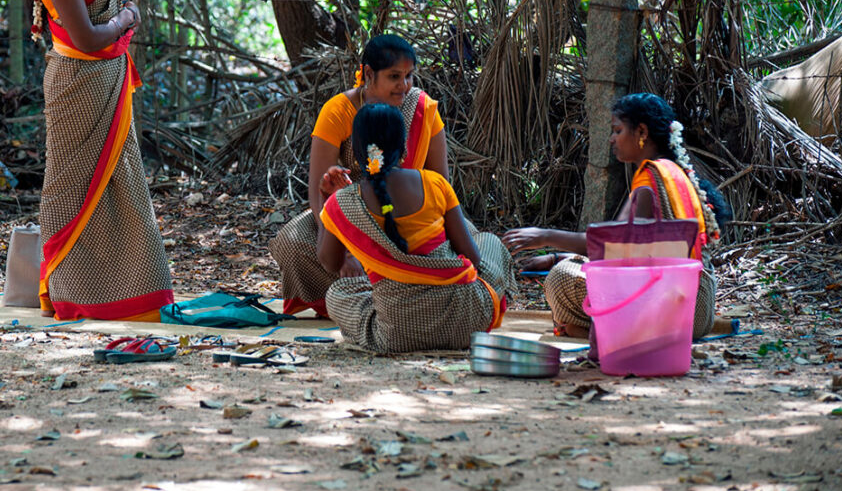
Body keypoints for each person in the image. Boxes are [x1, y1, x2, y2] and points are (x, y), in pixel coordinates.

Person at [31, 0, 173, 321]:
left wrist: (119, 24)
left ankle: (131, 290)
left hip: (106, 87)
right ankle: (73, 290)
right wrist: (126, 20)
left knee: (121, 183)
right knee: (71, 191)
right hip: (77, 87)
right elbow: (89, 38)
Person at [503, 92, 730, 340]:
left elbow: (614, 245)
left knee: (561, 277)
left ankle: (602, 332)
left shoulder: (647, 184)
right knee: (570, 265)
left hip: (669, 315)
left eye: (618, 130)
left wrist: (545, 236)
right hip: (698, 311)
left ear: (641, 133)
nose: (612, 139)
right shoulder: (675, 175)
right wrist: (559, 255)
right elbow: (643, 252)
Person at [269, 34, 449, 317]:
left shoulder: (423, 110)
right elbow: (319, 193)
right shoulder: (339, 111)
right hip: (348, 220)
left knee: (472, 245)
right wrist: (347, 251)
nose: (404, 86)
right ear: (368, 73)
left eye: (409, 76)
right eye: (394, 77)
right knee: (293, 243)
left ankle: (369, 296)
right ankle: (395, 292)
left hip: (410, 220)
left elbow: (441, 188)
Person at [318, 104, 517, 352]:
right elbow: (473, 259)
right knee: (488, 241)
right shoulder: (434, 183)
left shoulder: (343, 202)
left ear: (357, 151)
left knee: (338, 293)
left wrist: (329, 201)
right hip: (467, 323)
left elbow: (328, 262)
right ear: (404, 146)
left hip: (397, 332)